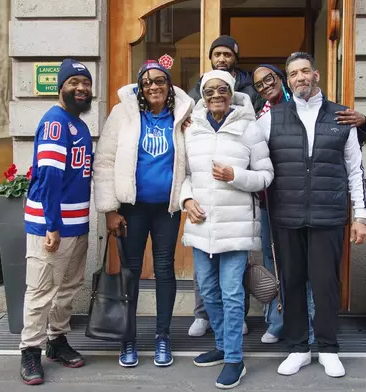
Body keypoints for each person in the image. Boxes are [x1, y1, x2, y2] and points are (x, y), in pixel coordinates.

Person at [256, 52, 366, 378]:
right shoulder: (271, 118)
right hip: (286, 216)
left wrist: (361, 217)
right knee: (290, 284)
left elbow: (354, 171)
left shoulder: (341, 117)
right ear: (288, 81)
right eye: (293, 73)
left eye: (305, 71)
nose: (300, 77)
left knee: (326, 285)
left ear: (315, 74)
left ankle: (328, 348)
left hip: (328, 216)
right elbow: (245, 149)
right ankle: (298, 348)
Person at [93, 55, 194, 368]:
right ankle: (128, 337)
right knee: (131, 272)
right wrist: (109, 209)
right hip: (131, 209)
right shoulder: (122, 114)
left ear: (169, 85)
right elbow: (105, 161)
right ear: (139, 87)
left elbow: (194, 161)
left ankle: (163, 336)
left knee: (165, 270)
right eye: (147, 82)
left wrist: (187, 198)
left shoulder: (183, 116)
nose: (153, 86)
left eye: (160, 80)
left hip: (166, 208)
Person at [180, 70, 273, 389]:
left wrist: (235, 175)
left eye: (222, 89)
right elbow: (185, 174)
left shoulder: (249, 127)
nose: (215, 95)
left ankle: (235, 359)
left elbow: (265, 176)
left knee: (232, 293)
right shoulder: (192, 130)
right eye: (209, 91)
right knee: (207, 290)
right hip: (202, 224)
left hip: (236, 226)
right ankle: (221, 344)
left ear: (232, 93)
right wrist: (186, 198)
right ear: (202, 96)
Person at [19, 59, 94, 386]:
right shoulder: (54, 122)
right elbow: (48, 177)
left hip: (77, 225)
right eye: (74, 81)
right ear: (60, 86)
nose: (81, 88)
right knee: (41, 291)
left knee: (67, 289)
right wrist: (51, 225)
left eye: (86, 83)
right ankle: (30, 351)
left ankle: (56, 340)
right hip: (53, 226)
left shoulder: (79, 123)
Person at [187, 36, 262, 337]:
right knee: (204, 273)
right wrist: (186, 198)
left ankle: (233, 325)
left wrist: (235, 174)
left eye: (227, 54)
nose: (221, 58)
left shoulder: (250, 93)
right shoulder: (198, 89)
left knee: (233, 277)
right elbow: (185, 167)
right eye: (216, 54)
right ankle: (203, 315)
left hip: (236, 207)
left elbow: (261, 165)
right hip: (205, 206)